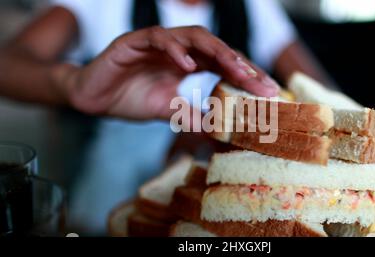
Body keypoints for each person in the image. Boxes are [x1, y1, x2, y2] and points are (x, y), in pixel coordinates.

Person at [0, 0, 333, 234]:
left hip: (237, 180)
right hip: (113, 181)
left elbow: (316, 91)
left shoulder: (255, 5)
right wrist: (73, 84)